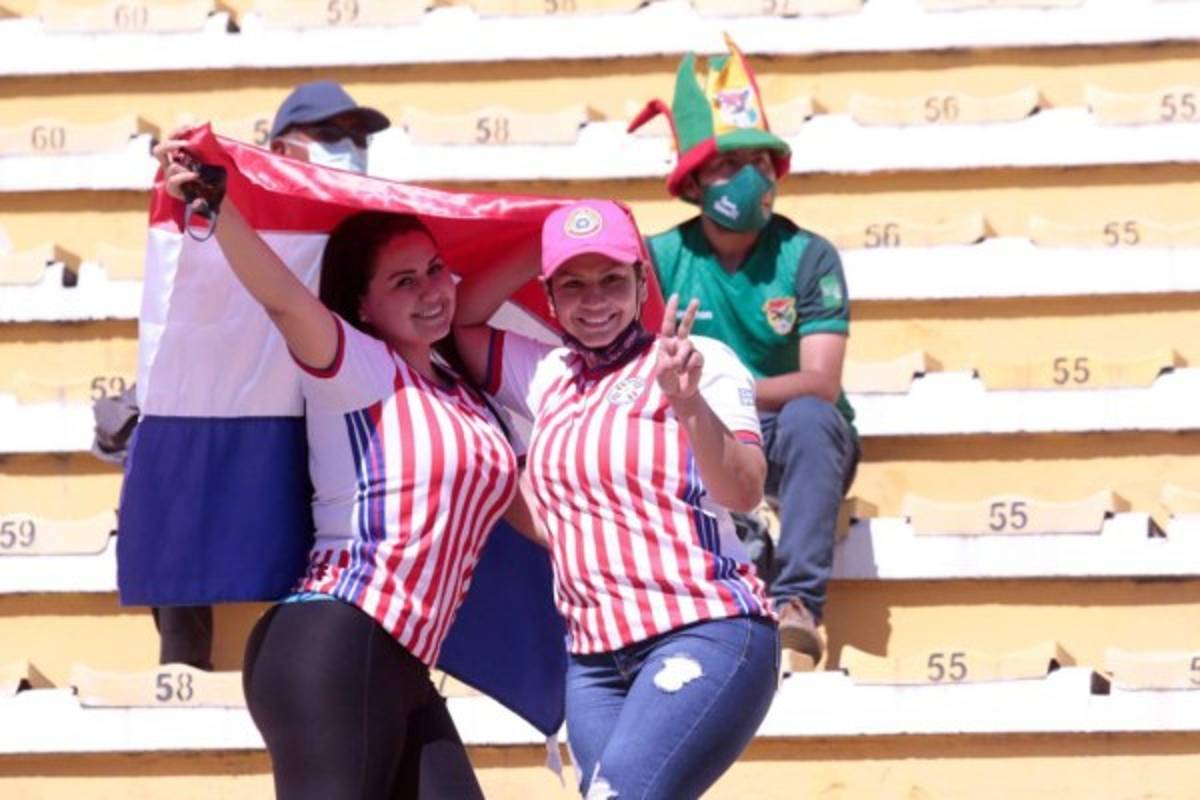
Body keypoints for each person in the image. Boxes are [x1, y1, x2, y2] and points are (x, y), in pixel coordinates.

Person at [153, 137, 518, 799]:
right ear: (362, 306)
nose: (432, 291)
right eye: (403, 281)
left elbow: (530, 251)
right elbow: (286, 301)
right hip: (332, 641)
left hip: (399, 658)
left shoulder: (457, 383)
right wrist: (216, 202)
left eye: (435, 269)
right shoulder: (357, 366)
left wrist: (574, 223)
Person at [453, 199, 779, 799]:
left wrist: (687, 404)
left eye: (611, 280)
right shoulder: (549, 373)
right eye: (572, 285)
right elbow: (458, 318)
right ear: (549, 298)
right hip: (595, 659)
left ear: (640, 284)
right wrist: (542, 235)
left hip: (703, 628)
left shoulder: (698, 362)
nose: (594, 300)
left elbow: (745, 489)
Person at [629, 36, 860, 665]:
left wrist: (719, 388)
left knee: (816, 418)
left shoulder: (808, 256)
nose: (751, 175)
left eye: (761, 160)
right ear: (696, 181)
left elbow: (820, 382)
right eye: (732, 164)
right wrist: (695, 404)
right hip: (692, 434)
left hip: (787, 435)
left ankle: (799, 607)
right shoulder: (657, 259)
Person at [151, 79, 390, 671]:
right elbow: (191, 307)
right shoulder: (230, 212)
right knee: (168, 469)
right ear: (282, 151)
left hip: (353, 423)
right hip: (262, 414)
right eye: (332, 134)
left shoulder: (385, 220)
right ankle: (181, 679)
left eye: (358, 136)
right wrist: (185, 178)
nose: (350, 147)